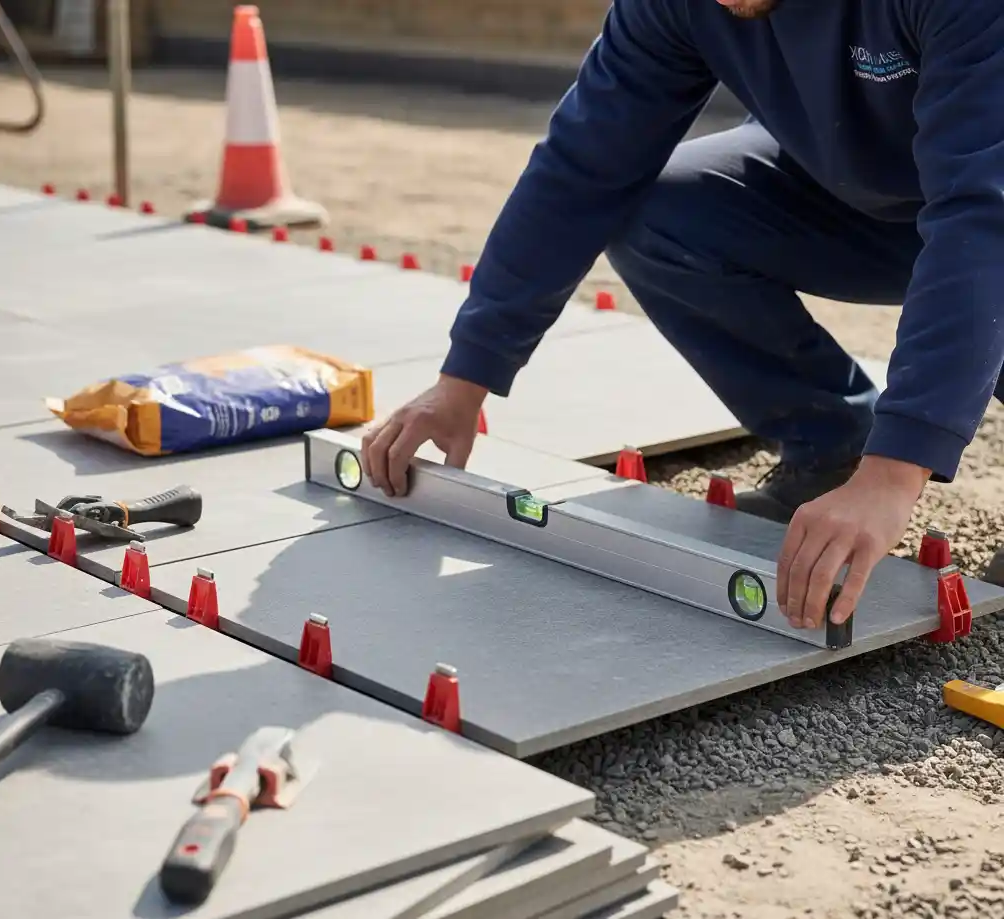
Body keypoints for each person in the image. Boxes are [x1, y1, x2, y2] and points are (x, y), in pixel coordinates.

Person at [362, 0, 1004, 633]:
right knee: (658, 213)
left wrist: (897, 472)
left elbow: (984, 219)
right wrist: (465, 375)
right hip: (869, 198)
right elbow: (582, 166)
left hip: (986, 194)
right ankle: (832, 443)